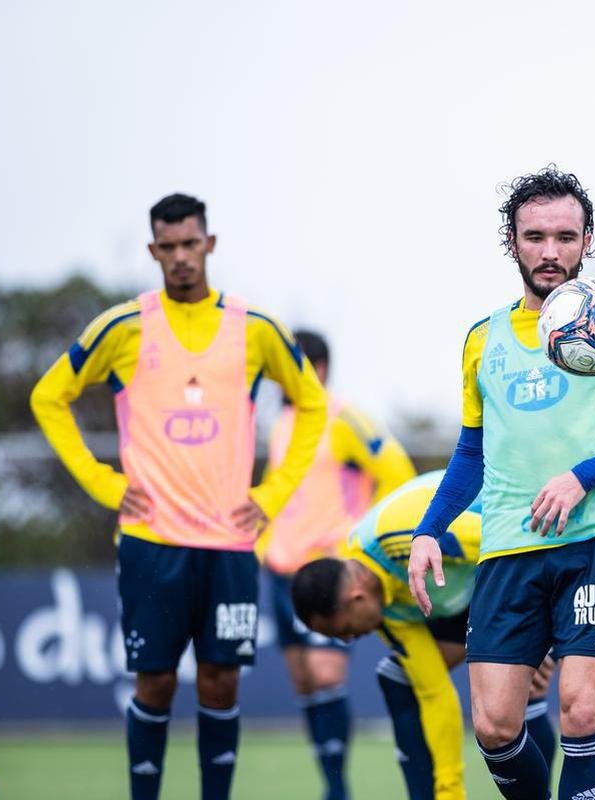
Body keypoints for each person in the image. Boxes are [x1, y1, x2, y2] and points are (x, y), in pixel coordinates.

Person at [406, 166, 595, 800]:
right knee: (494, 726)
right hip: (508, 547)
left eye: (566, 237)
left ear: (587, 241)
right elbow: (472, 451)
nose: (550, 251)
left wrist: (581, 478)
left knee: (582, 710)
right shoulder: (482, 339)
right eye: (535, 236)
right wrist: (429, 529)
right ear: (512, 241)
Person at [29, 193, 327, 800]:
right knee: (156, 682)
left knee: (220, 681)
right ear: (153, 251)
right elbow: (48, 397)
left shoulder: (256, 328)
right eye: (168, 247)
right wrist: (103, 483)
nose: (181, 256)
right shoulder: (121, 327)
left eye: (191, 243)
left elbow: (313, 403)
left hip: (230, 544)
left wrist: (272, 495)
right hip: (152, 541)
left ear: (209, 243)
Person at [290, 471, 557, 800]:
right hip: (468, 588)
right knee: (400, 678)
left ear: (356, 599)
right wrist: (450, 791)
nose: (347, 641)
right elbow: (436, 695)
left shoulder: (404, 537)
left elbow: (522, 543)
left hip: (521, 544)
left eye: (343, 630)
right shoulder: (382, 610)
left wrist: (545, 630)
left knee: (522, 688)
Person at [258, 329, 416, 800]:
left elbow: (397, 472)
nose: (279, 377)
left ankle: (337, 790)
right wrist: (263, 544)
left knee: (326, 673)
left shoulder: (345, 418)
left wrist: (363, 541)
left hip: (328, 567)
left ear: (318, 368)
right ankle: (330, 782)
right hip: (281, 569)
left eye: (290, 365)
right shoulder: (283, 423)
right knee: (305, 681)